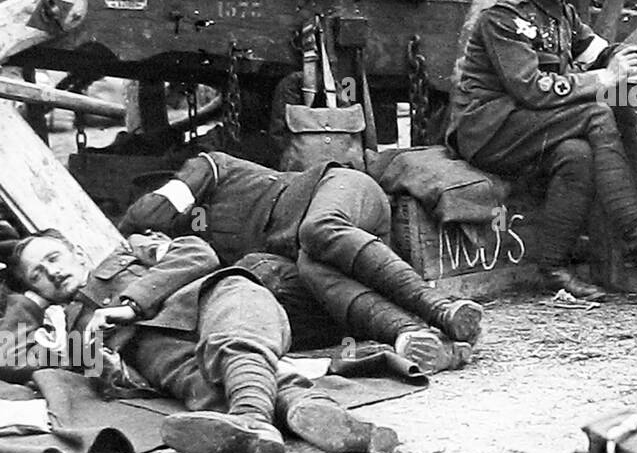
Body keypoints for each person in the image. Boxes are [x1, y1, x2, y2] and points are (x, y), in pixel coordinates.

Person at [0, 229, 397, 453]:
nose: (52, 271)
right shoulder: (70, 329)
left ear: (78, 253)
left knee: (234, 338)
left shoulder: (130, 252)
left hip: (211, 296)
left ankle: (252, 420)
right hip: (152, 350)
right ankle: (312, 414)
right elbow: (11, 355)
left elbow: (197, 253)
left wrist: (130, 305)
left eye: (53, 258)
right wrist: (29, 303)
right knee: (208, 385)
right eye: (39, 274)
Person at [448, 0, 637, 302]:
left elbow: (595, 50)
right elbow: (532, 90)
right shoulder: (505, 17)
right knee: (596, 112)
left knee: (575, 155)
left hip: (527, 129)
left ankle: (554, 268)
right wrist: (604, 81)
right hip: (487, 130)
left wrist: (631, 54)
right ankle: (634, 232)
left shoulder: (562, 13)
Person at [118, 153, 480, 375]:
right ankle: (412, 335)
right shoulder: (199, 253)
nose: (153, 243)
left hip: (340, 192)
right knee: (306, 265)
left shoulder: (208, 168)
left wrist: (134, 233)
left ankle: (441, 308)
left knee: (318, 230)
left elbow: (154, 209)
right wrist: (167, 255)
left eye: (154, 235)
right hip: (334, 258)